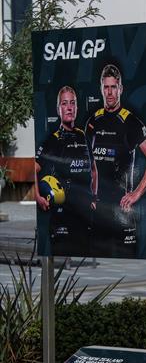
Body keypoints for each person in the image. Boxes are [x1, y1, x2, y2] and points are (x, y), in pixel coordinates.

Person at [87, 64, 146, 258]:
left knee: (124, 268)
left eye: (114, 87)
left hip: (122, 214)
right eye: (106, 87)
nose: (110, 92)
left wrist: (137, 193)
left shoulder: (130, 122)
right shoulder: (93, 121)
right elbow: (88, 164)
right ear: (101, 89)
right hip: (97, 214)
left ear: (120, 88)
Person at [35, 86, 96, 256]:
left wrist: (93, 198)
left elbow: (93, 170)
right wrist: (38, 197)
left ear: (76, 108)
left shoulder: (83, 136)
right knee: (64, 260)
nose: (69, 107)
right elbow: (34, 168)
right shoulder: (52, 140)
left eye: (72, 103)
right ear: (58, 109)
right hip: (63, 215)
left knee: (84, 256)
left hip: (84, 214)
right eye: (64, 103)